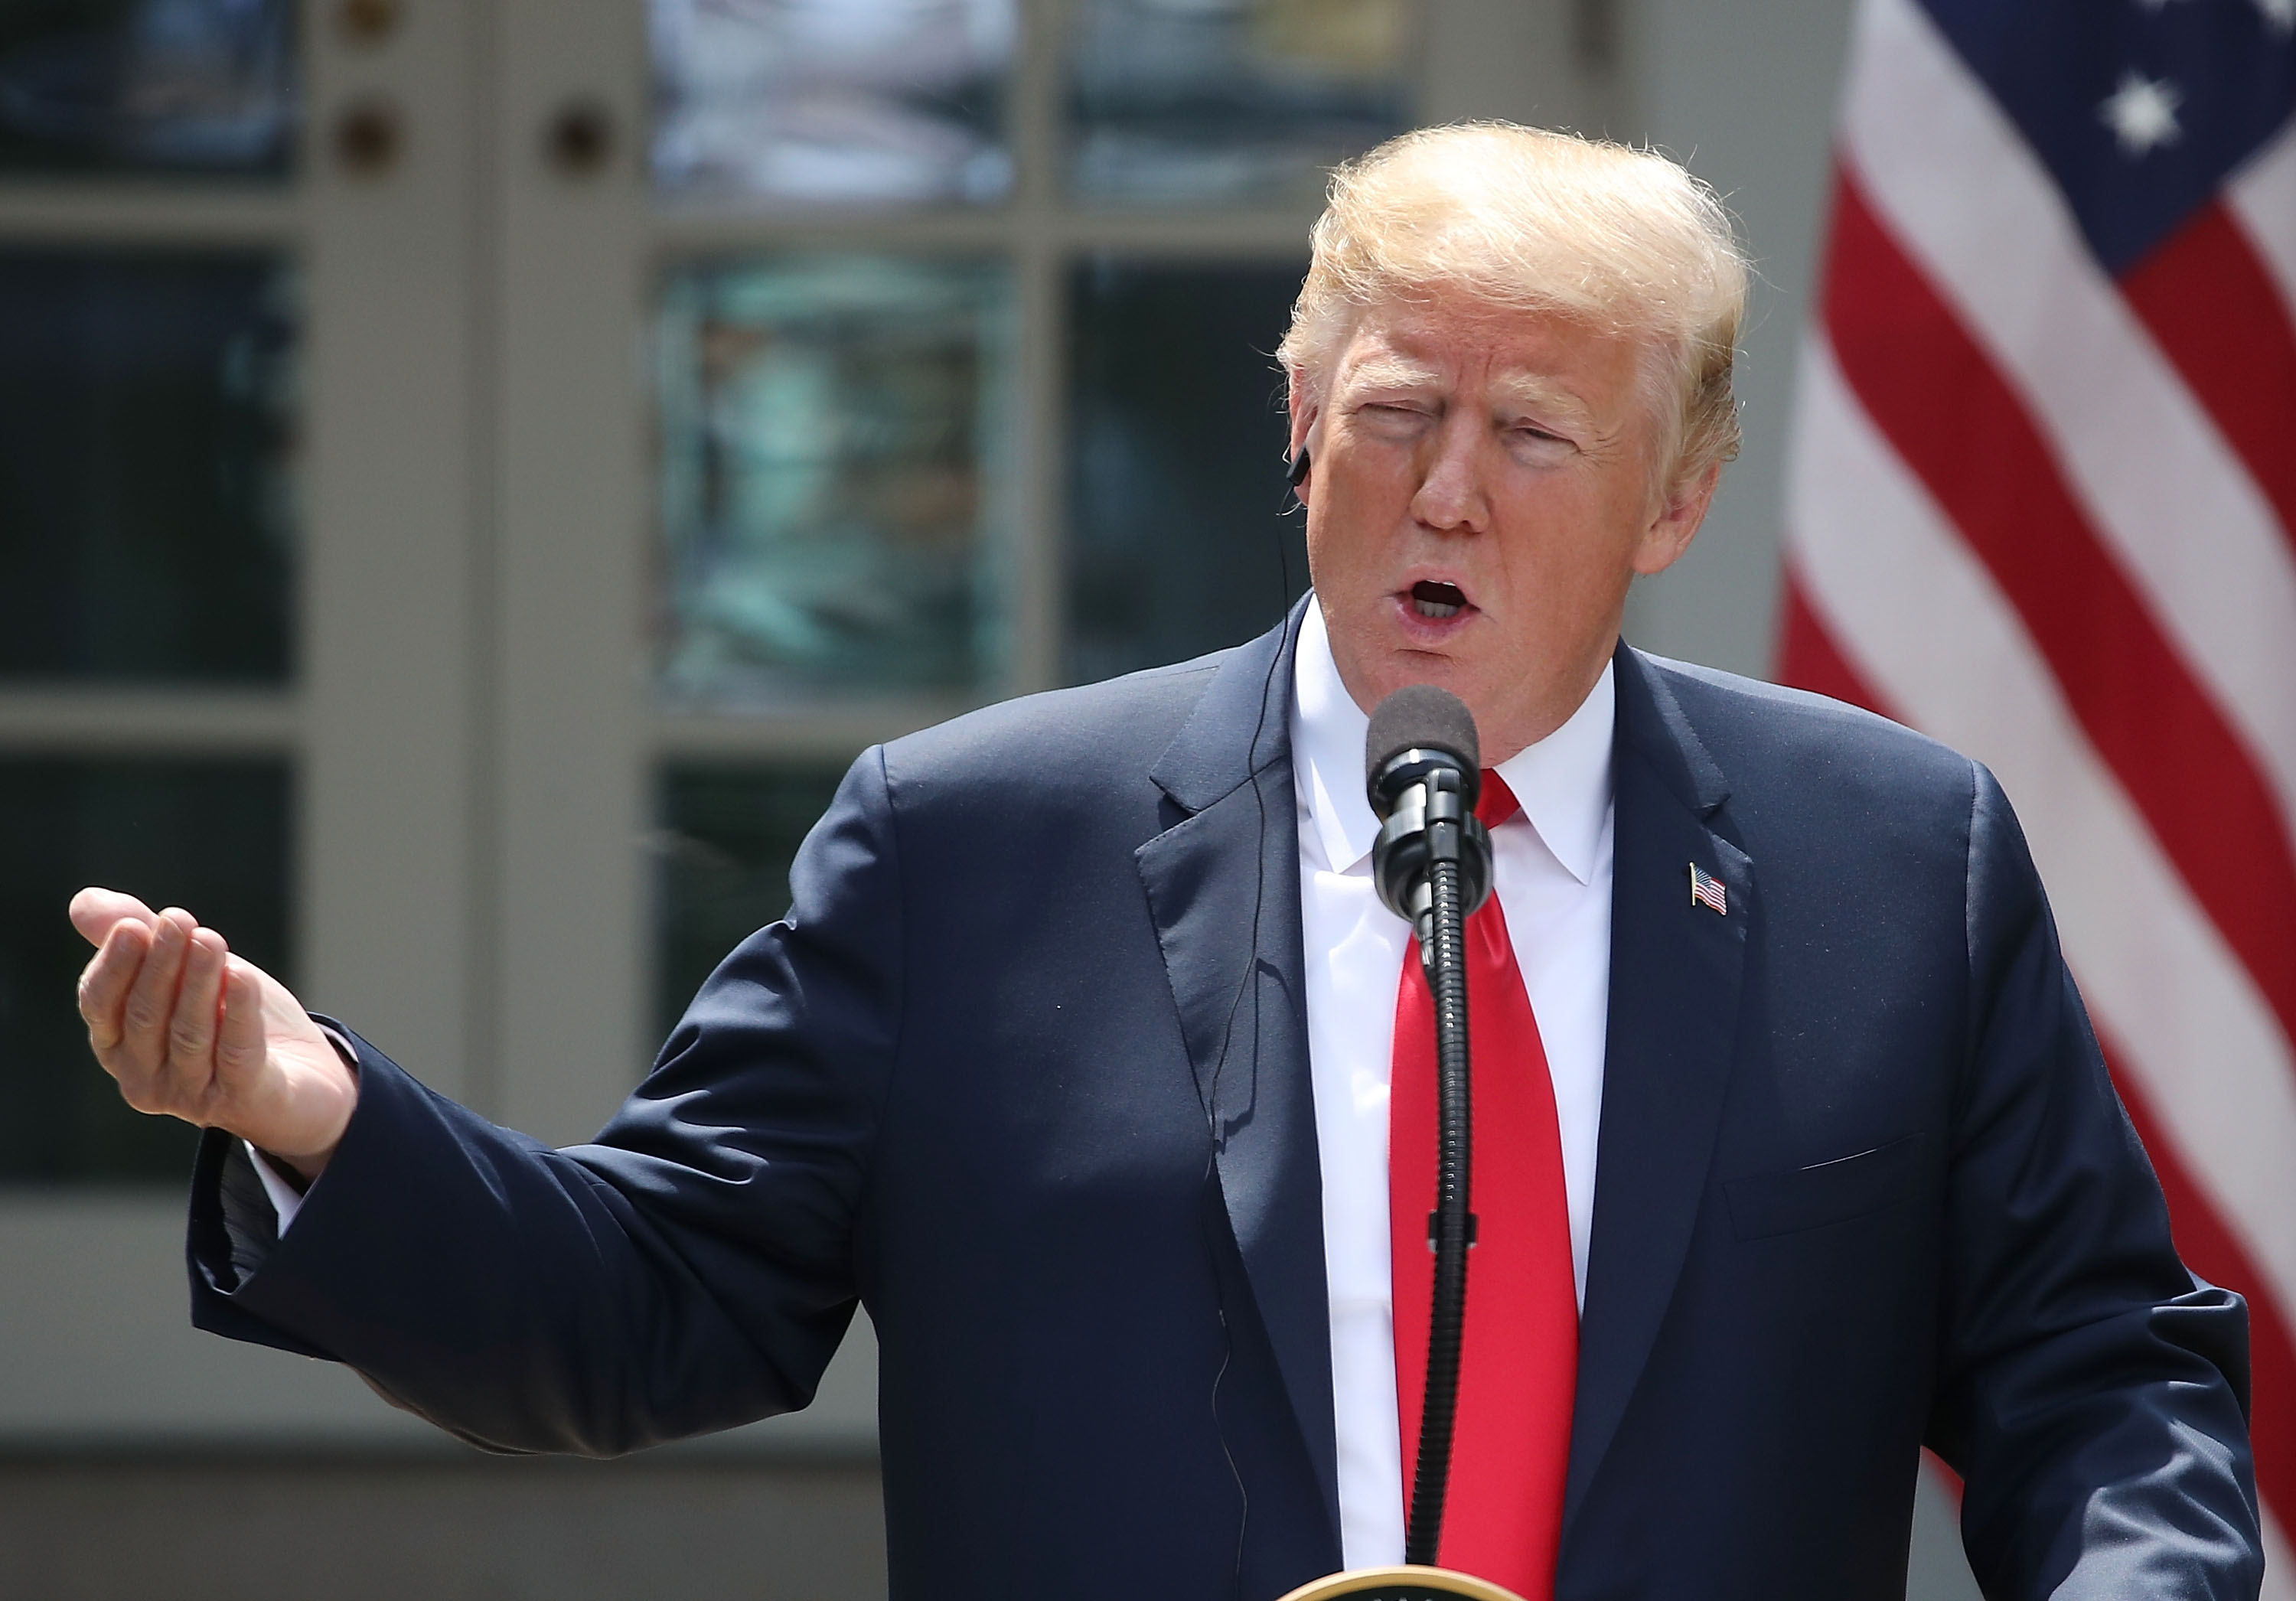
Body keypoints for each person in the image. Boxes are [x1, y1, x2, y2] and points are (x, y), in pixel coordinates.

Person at [70, 124, 2259, 1601]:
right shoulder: (974, 845)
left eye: (1535, 437)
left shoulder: (1892, 858)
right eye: (1396, 409)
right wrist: (308, 1113)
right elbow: (652, 1299)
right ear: (1296, 415)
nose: (1449, 494)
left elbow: (2093, 1361)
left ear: (1677, 497)